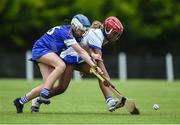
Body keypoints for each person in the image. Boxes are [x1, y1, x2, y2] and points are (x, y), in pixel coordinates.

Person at [30, 16, 124, 113]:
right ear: (107, 29)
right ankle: (37, 99)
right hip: (69, 58)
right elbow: (99, 60)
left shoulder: (103, 37)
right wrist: (99, 71)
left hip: (79, 59)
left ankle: (110, 101)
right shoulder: (98, 34)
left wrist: (87, 65)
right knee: (62, 88)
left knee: (100, 74)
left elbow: (87, 48)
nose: (115, 36)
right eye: (114, 33)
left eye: (117, 34)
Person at [13, 14, 102, 113]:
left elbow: (84, 48)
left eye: (85, 31)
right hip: (41, 49)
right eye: (82, 30)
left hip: (47, 52)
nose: (83, 33)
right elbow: (80, 52)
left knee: (48, 84)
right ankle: (44, 94)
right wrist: (94, 66)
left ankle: (20, 101)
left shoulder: (75, 35)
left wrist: (92, 55)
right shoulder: (67, 34)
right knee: (61, 65)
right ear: (75, 26)